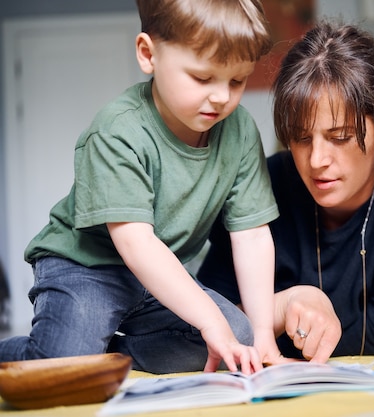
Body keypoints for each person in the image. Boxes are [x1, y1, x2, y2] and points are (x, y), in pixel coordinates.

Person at [0, 0, 284, 374]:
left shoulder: (240, 131)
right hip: (86, 266)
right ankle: (65, 349)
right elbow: (136, 243)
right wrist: (208, 321)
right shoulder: (118, 130)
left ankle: (111, 351)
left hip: (159, 274)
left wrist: (263, 335)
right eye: (202, 78)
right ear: (149, 55)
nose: (221, 96)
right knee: (63, 366)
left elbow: (250, 236)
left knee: (237, 340)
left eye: (237, 81)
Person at [198, 21, 374, 361]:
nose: (317, 160)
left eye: (340, 137)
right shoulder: (258, 186)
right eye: (301, 137)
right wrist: (281, 307)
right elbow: (200, 330)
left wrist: (261, 325)